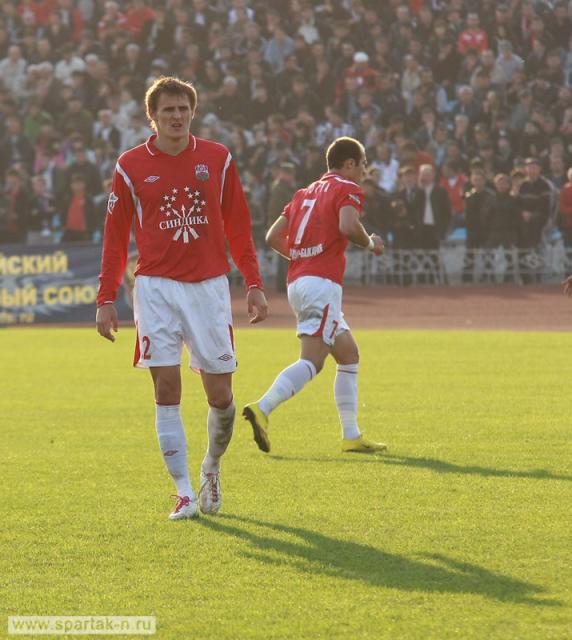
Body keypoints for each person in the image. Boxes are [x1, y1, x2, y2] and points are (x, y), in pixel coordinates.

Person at [95, 77, 268, 520]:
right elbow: (115, 237)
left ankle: (211, 467)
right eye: (168, 109)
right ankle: (184, 492)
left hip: (209, 288)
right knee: (166, 389)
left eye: (183, 108)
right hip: (155, 289)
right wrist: (105, 297)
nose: (177, 116)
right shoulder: (130, 165)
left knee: (221, 396)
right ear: (152, 117)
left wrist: (253, 282)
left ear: (193, 112)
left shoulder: (217, 158)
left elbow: (239, 225)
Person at [242, 137, 387, 454]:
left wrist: (302, 259)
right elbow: (348, 226)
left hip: (300, 281)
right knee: (312, 361)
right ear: (349, 163)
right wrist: (371, 244)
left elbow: (272, 236)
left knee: (348, 355)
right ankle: (262, 408)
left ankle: (351, 435)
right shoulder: (347, 188)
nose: (364, 171)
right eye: (363, 164)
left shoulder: (303, 193)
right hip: (321, 284)